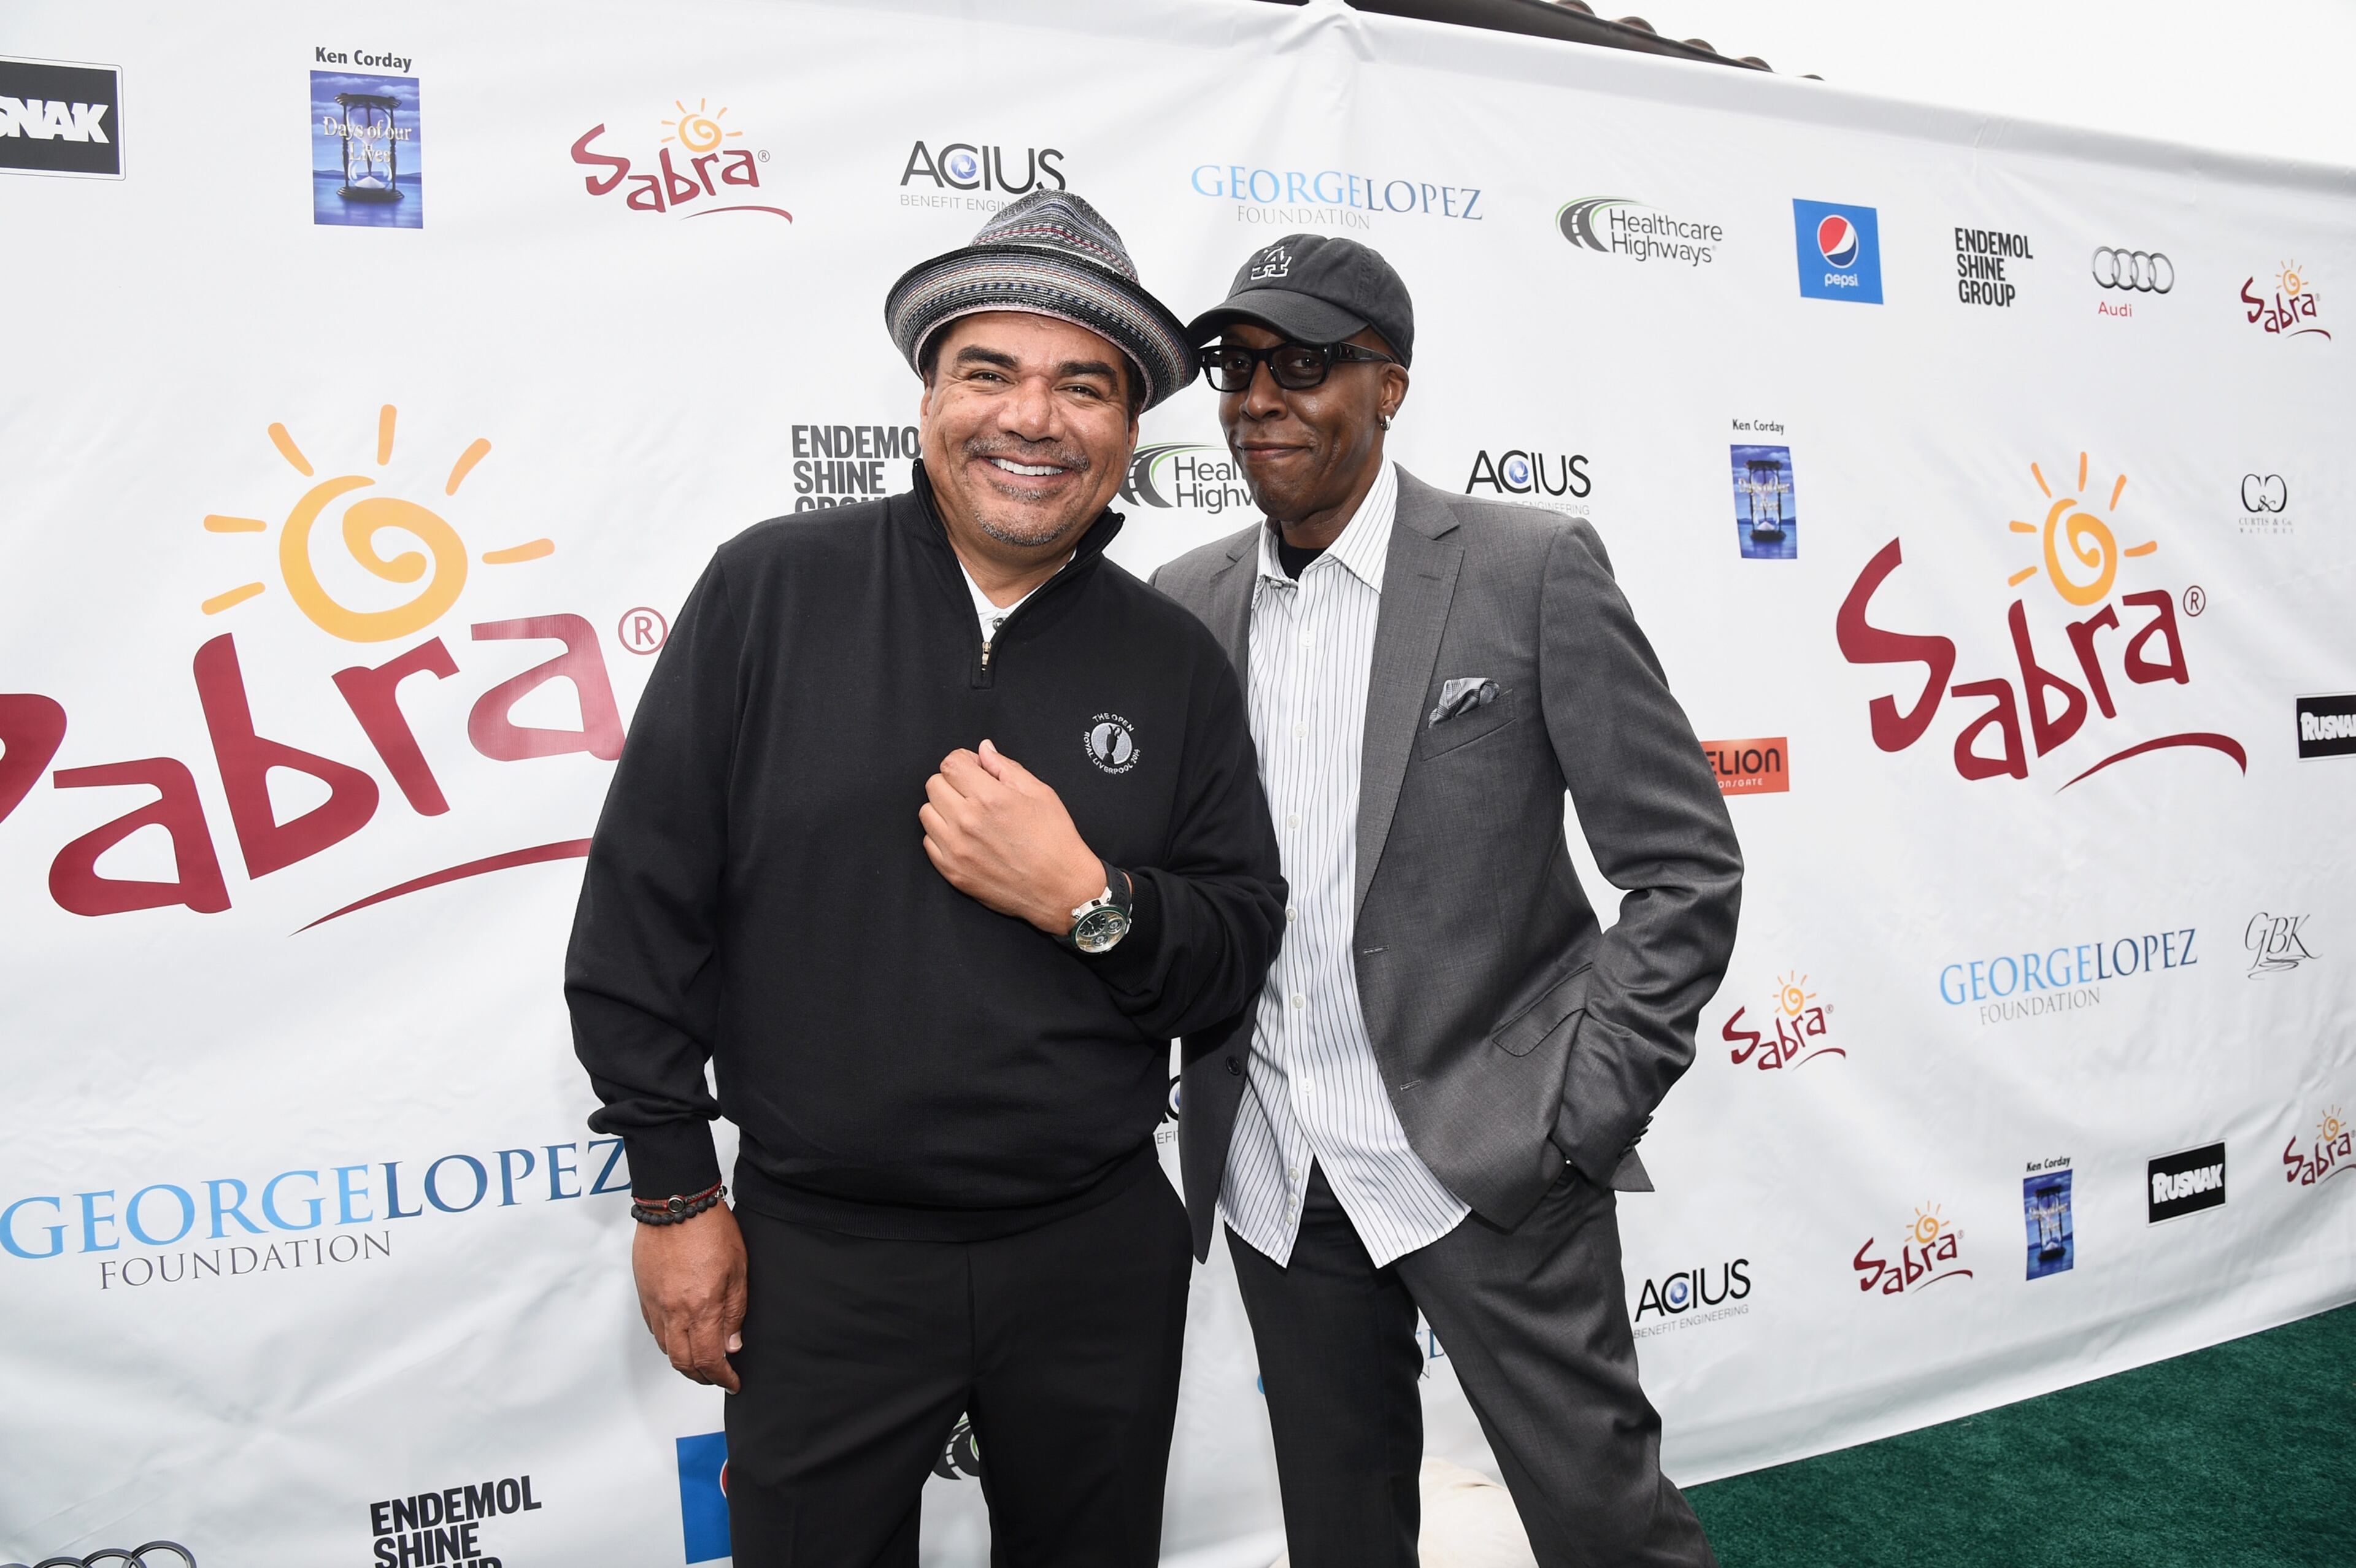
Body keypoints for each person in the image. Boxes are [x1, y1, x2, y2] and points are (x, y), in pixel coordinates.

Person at [564, 190, 1285, 1567]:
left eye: (1085, 385)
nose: (1034, 417)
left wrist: (1087, 897)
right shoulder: (769, 591)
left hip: (1093, 1249)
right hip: (818, 1252)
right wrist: (672, 1195)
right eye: (990, 372)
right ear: (926, 396)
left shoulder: (1173, 658)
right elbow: (640, 920)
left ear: (1130, 431)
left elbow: (1237, 943)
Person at [1152, 234, 1742, 1568]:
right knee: (1341, 1534)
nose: (1260, 399)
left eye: (1304, 365)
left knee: (1607, 1529)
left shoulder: (1530, 567)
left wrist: (1582, 1111)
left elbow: (1685, 862)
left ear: (1391, 384)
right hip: (1274, 1168)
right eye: (1234, 368)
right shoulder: (1185, 602)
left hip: (1491, 1153)